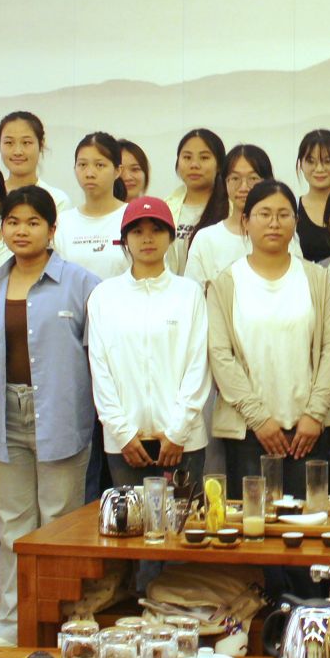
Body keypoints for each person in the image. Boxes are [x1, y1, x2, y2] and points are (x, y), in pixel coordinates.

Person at [0, 185, 99, 648]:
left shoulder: (81, 282)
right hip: (4, 413)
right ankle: (11, 621)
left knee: (59, 523)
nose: (22, 230)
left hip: (62, 412)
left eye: (33, 222)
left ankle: (58, 620)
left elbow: (98, 354)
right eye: (13, 222)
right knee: (13, 523)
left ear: (52, 229)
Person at [208, 182, 330, 493]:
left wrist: (315, 413)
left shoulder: (317, 279)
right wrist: (258, 419)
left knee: (310, 516)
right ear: (245, 221)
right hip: (247, 431)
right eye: (264, 214)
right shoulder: (225, 283)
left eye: (284, 214)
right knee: (253, 517)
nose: (274, 223)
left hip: (309, 429)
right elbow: (220, 355)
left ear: (296, 222)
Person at [90, 196, 210, 488]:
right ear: (125, 240)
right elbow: (100, 369)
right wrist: (122, 433)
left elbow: (198, 366)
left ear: (171, 237)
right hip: (126, 444)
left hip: (184, 440)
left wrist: (178, 431)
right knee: (132, 517)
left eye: (156, 230)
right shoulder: (104, 296)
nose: (147, 239)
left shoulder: (189, 293)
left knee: (184, 517)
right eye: (137, 231)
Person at [185, 145, 287, 285]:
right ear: (225, 182)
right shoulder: (206, 239)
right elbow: (194, 293)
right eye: (235, 178)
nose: (244, 187)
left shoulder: (281, 233)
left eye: (253, 178)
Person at [55, 133, 129, 279]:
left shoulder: (131, 217)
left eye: (99, 165)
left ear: (117, 171)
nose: (89, 173)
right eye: (82, 165)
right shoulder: (62, 222)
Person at [165, 128, 225, 273]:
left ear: (219, 165)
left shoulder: (231, 209)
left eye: (204, 158)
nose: (194, 165)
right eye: (187, 157)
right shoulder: (166, 208)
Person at [0, 111, 72, 210]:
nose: (17, 152)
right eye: (9, 142)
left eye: (26, 142)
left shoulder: (57, 200)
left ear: (41, 144)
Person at [294, 130, 330, 263]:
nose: (319, 169)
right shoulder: (292, 210)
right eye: (311, 161)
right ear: (301, 164)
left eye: (328, 161)